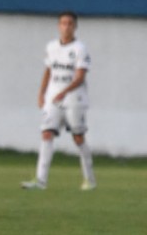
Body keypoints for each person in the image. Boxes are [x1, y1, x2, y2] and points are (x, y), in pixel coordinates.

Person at [22, 11, 96, 191]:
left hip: (74, 98)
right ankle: (40, 181)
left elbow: (80, 76)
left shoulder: (80, 49)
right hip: (53, 97)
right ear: (58, 26)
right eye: (63, 23)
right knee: (47, 134)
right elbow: (48, 71)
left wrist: (65, 91)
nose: (66, 27)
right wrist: (41, 94)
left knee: (78, 138)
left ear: (75, 27)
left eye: (70, 23)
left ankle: (90, 179)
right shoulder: (52, 47)